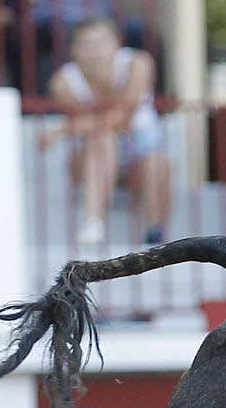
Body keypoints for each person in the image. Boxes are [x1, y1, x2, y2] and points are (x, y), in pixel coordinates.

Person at [45, 16, 168, 251]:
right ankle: (94, 223)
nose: (95, 51)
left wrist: (62, 129)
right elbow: (102, 126)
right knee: (102, 138)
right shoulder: (63, 82)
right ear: (74, 50)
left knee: (156, 161)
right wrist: (88, 124)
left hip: (138, 166)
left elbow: (121, 118)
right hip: (90, 164)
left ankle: (154, 235)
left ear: (117, 44)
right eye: (87, 45)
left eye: (102, 43)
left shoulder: (138, 63)